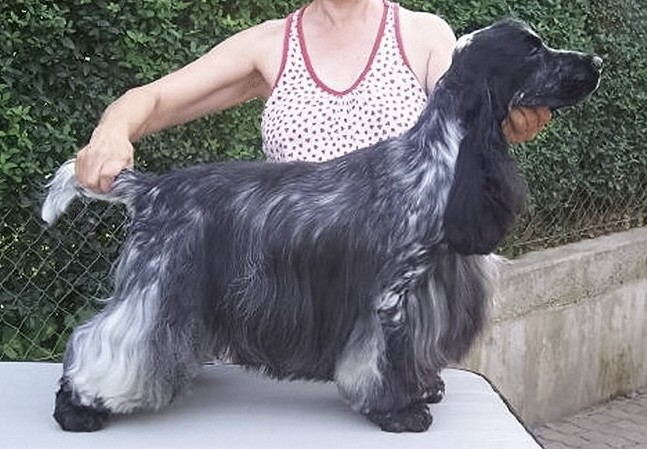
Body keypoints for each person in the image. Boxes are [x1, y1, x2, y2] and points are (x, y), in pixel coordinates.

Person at [75, 0, 551, 192]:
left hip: (393, 304)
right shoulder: (269, 45)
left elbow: (466, 127)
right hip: (288, 294)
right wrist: (112, 131)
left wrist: (503, 124)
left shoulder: (424, 35)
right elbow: (153, 98)